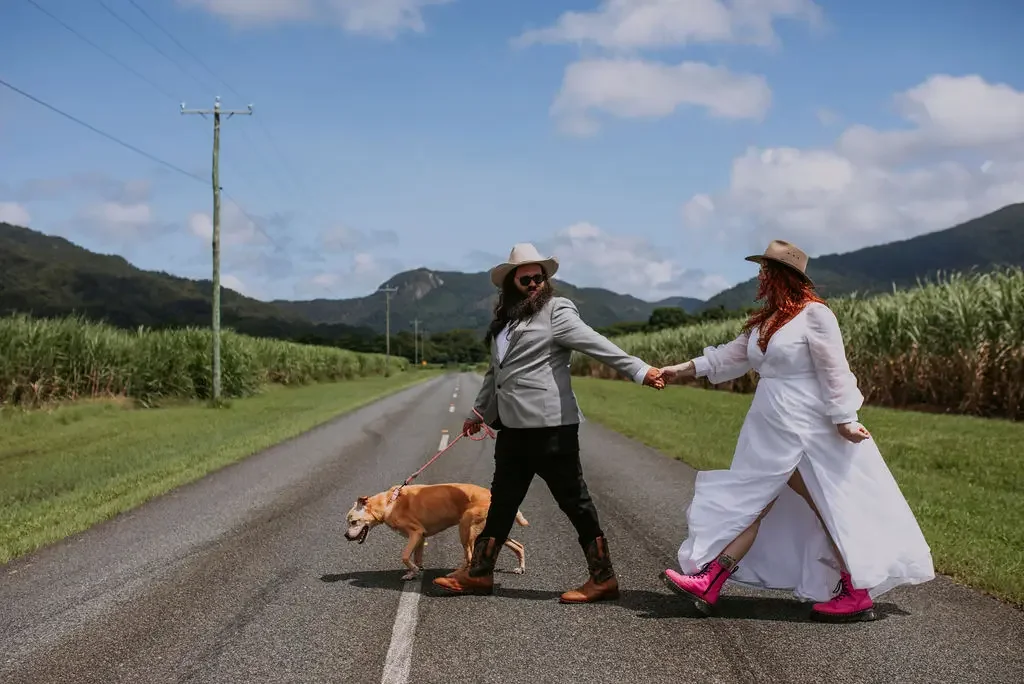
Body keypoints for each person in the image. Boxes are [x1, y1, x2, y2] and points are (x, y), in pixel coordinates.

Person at [658, 240, 934, 622]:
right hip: (769, 425)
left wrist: (845, 418)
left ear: (784, 276)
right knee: (753, 500)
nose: (760, 277)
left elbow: (834, 370)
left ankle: (855, 590)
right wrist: (680, 370)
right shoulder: (767, 321)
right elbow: (728, 356)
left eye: (767, 271)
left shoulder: (815, 316)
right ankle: (710, 579)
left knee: (824, 504)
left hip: (808, 428)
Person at [432, 242, 665, 602]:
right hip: (511, 431)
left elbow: (595, 343)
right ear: (511, 283)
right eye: (526, 279)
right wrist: (478, 414)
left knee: (575, 502)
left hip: (551, 429)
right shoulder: (504, 324)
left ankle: (602, 577)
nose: (534, 284)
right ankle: (478, 573)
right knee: (503, 502)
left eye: (539, 277)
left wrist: (639, 369)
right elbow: (495, 374)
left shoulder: (557, 311)